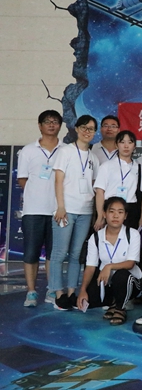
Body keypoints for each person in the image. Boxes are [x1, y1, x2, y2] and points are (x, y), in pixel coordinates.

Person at [50, 115, 100, 311]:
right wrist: (60, 206)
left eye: (91, 129)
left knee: (76, 254)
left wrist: (95, 213)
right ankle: (58, 293)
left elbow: (94, 186)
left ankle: (71, 292)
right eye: (84, 128)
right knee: (59, 252)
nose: (87, 131)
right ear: (77, 129)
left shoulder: (94, 158)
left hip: (85, 211)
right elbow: (58, 180)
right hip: (66, 209)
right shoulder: (65, 151)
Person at [17, 109, 64, 307]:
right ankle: (31, 292)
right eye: (47, 121)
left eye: (55, 121)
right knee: (31, 253)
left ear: (60, 126)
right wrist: (37, 193)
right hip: (33, 210)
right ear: (39, 125)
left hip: (57, 211)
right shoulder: (28, 150)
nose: (51, 125)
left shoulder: (66, 150)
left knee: (54, 254)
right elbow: (22, 179)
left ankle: (51, 290)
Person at [76, 197, 142, 325]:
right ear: (104, 214)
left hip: (130, 281)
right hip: (106, 280)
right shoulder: (96, 237)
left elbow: (130, 264)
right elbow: (90, 267)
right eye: (111, 211)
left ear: (125, 216)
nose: (116, 216)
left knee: (121, 275)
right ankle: (112, 303)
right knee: (91, 296)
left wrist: (109, 266)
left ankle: (120, 308)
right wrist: (82, 290)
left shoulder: (132, 234)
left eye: (120, 212)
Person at [94, 130, 142, 230]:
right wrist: (100, 216)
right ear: (116, 145)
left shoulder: (139, 168)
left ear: (134, 146)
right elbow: (100, 192)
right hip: (110, 209)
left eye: (130, 142)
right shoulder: (106, 166)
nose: (126, 146)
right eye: (122, 142)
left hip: (131, 210)